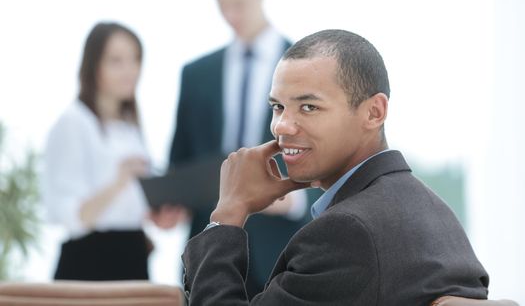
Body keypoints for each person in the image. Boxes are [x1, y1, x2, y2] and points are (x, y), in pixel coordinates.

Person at [182, 29, 489, 305]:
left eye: (309, 107)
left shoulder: (347, 232)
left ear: (374, 112)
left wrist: (229, 212)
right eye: (278, 107)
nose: (282, 127)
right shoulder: (433, 211)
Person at [169, 0, 314, 297]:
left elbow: (333, 153)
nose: (231, 15)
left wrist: (293, 200)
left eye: (239, 4)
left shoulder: (309, 68)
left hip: (283, 255)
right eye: (222, 5)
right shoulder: (195, 74)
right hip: (208, 256)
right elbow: (181, 159)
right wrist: (170, 200)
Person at [42, 22, 172, 280]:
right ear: (93, 65)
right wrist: (119, 182)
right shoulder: (73, 122)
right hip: (89, 262)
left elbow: (127, 208)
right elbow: (71, 217)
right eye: (116, 61)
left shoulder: (130, 126)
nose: (130, 70)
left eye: (135, 59)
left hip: (132, 256)